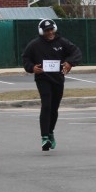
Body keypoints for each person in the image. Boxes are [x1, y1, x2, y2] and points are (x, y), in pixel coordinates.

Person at [21, 19, 81, 151]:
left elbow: (76, 52)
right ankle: (44, 137)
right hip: (43, 78)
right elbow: (25, 58)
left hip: (58, 79)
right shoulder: (34, 44)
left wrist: (70, 62)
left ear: (55, 29)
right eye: (46, 30)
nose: (49, 33)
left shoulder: (62, 42)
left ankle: (50, 132)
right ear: (41, 31)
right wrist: (32, 68)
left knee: (54, 108)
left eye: (51, 29)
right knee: (46, 105)